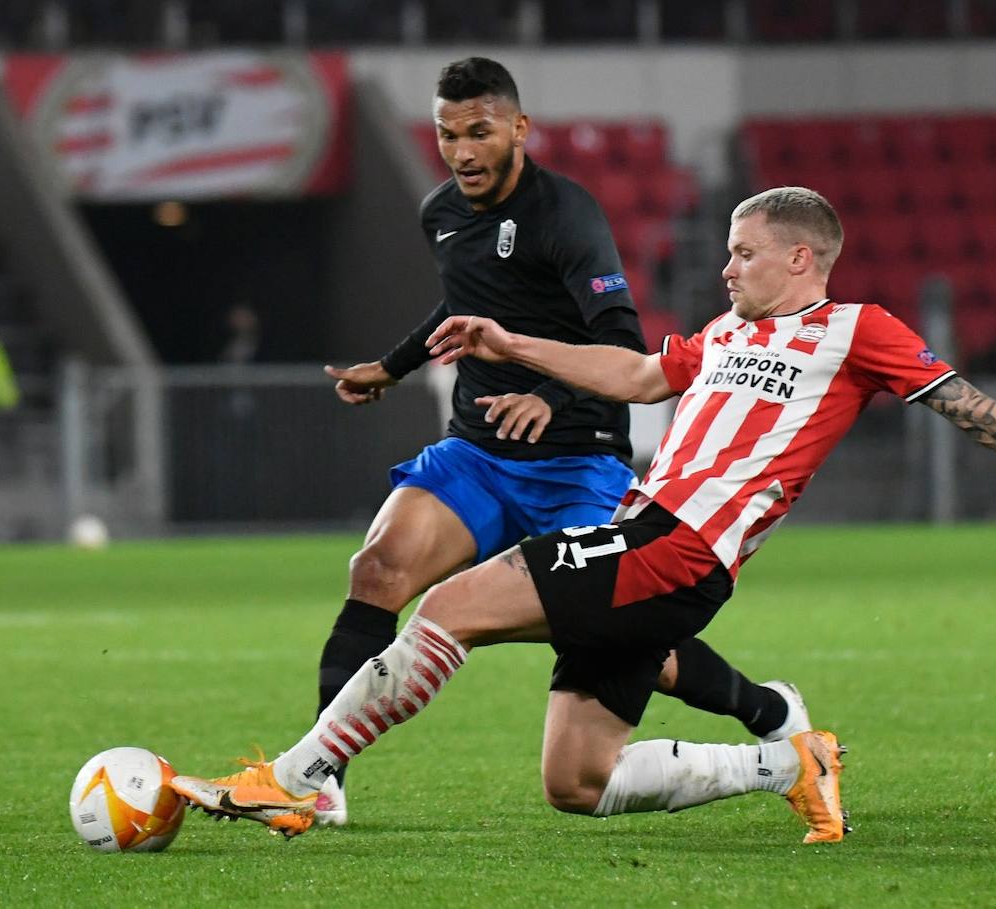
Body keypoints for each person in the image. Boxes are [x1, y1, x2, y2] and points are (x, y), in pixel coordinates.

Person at [172, 187, 996, 841]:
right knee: (577, 782)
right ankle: (783, 756)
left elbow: (973, 411)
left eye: (745, 252)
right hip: (661, 549)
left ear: (802, 258)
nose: (728, 266)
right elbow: (631, 371)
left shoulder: (857, 331)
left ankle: (297, 778)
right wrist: (514, 344)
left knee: (448, 608)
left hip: (673, 545)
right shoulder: (721, 332)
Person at [307, 57, 803, 827]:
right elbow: (463, 298)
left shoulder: (566, 215)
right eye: (447, 134)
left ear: (517, 128)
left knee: (620, 638)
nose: (462, 151)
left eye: (479, 132)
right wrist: (393, 369)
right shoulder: (440, 210)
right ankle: (319, 772)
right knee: (376, 568)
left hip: (577, 462)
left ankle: (767, 709)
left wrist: (548, 394)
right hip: (475, 453)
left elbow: (623, 340)